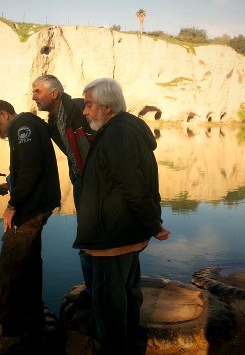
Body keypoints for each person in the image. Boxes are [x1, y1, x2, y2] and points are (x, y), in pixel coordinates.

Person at [73, 78, 170, 355]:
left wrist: (154, 224)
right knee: (127, 299)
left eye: (88, 104)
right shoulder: (125, 129)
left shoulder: (117, 134)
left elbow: (134, 185)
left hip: (112, 240)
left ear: (107, 106)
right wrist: (151, 223)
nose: (85, 111)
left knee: (110, 307)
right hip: (123, 233)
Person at [0, 99, 61, 354]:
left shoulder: (22, 127)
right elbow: (28, 170)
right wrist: (11, 185)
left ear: (4, 115)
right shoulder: (25, 126)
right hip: (38, 205)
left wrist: (13, 204)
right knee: (29, 266)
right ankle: (35, 325)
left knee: (10, 270)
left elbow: (30, 169)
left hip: (30, 210)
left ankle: (12, 335)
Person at [31, 74, 95, 301]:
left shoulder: (79, 108)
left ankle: (100, 291)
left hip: (96, 182)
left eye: (38, 91)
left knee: (95, 235)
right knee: (86, 235)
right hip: (80, 180)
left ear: (54, 93)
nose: (34, 96)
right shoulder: (52, 121)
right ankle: (92, 289)